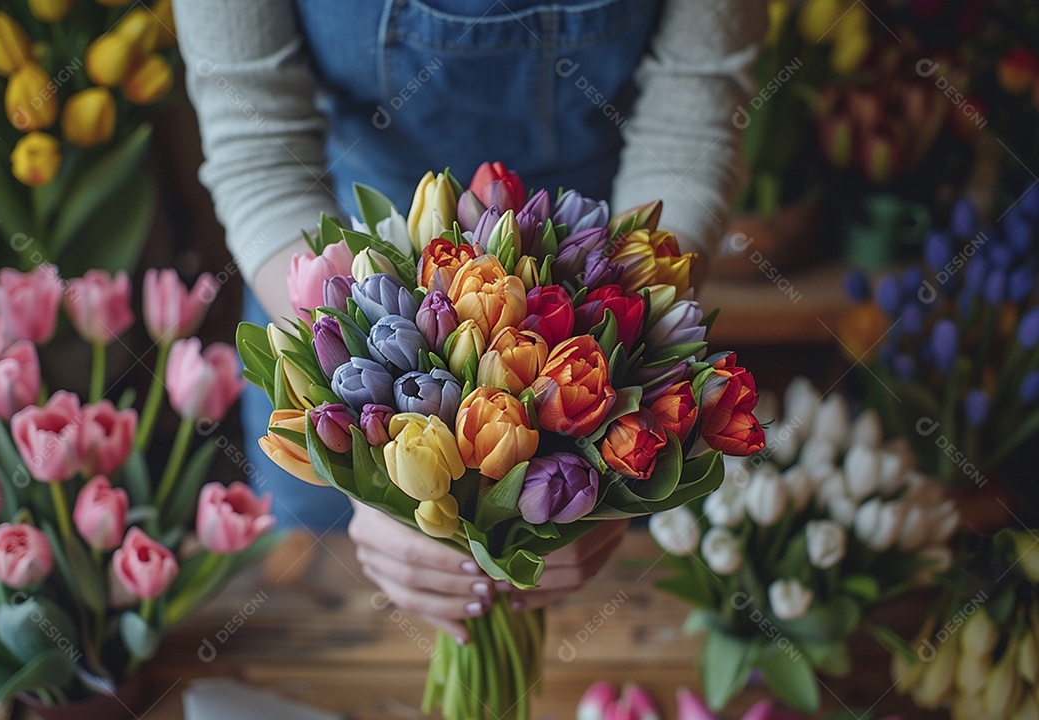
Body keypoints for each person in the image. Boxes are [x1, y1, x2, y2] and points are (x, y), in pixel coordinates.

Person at [174, 0, 765, 643]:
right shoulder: (342, 310)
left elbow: (692, 119)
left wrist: (613, 451)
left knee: (607, 627)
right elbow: (257, 145)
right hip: (350, 291)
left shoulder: (604, 294)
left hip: (591, 275)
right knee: (322, 628)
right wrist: (373, 480)